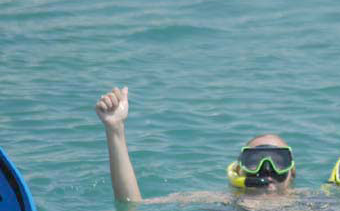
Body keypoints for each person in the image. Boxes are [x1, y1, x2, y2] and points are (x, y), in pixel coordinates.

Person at [95, 87, 296, 204]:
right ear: (238, 170)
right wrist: (115, 130)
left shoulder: (313, 203)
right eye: (255, 161)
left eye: (279, 161)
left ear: (292, 172)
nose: (266, 170)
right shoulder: (220, 202)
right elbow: (132, 206)